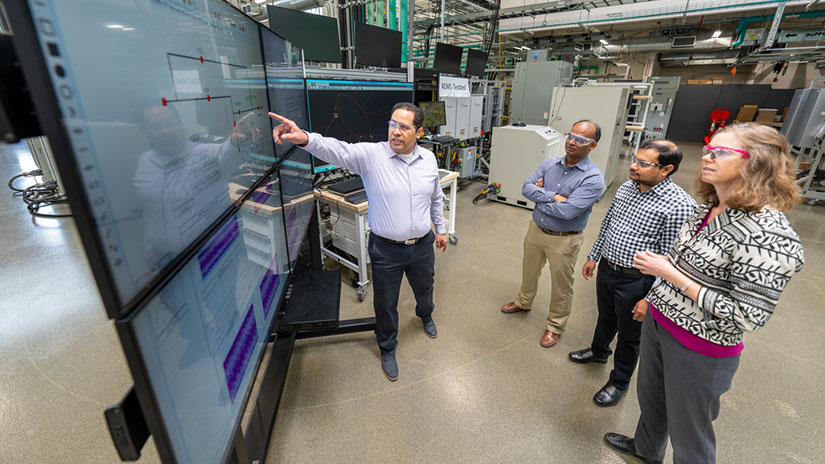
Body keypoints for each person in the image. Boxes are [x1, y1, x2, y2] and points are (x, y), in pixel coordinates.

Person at [604, 123, 805, 464]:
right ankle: (645, 449)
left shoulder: (769, 233)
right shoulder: (707, 210)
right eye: (709, 149)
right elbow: (682, 264)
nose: (707, 157)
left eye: (722, 152)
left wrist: (670, 274)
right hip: (659, 323)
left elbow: (748, 314)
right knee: (652, 400)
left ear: (758, 163)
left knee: (690, 431)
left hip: (700, 345)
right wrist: (655, 293)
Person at [268, 103, 447, 381]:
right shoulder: (372, 155)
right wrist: (304, 137)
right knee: (386, 303)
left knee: (426, 288)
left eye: (403, 127)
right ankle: (387, 347)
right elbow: (336, 148)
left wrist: (442, 229)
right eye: (392, 124)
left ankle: (425, 314)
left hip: (423, 244)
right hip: (387, 249)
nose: (395, 132)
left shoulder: (429, 160)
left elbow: (436, 197)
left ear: (419, 131)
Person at [568, 139, 696, 407]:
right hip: (608, 268)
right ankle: (599, 351)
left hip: (638, 281)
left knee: (629, 336)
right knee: (605, 318)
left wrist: (649, 298)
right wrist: (594, 256)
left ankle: (619, 382)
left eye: (642, 163)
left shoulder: (679, 205)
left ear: (666, 169)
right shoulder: (627, 188)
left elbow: (673, 261)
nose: (633, 166)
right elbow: (609, 222)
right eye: (634, 159)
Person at [500, 120, 605, 348]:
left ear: (592, 146)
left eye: (581, 140)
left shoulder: (593, 178)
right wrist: (553, 197)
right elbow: (526, 187)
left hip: (564, 239)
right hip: (536, 231)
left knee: (561, 285)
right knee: (529, 272)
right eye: (570, 135)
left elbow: (568, 212)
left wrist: (540, 197)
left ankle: (555, 325)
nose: (572, 142)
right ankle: (523, 302)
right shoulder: (549, 164)